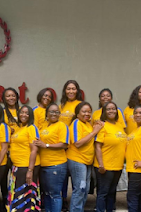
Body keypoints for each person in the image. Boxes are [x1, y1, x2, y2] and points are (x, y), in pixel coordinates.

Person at [67, 102, 103, 212]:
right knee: (80, 189)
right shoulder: (76, 123)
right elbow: (77, 143)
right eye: (84, 111)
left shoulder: (88, 124)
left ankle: (79, 209)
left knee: (86, 189)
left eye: (89, 111)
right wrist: (94, 132)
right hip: (77, 160)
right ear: (77, 114)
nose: (87, 114)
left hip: (87, 162)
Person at [34, 103, 69, 212]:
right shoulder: (44, 125)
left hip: (56, 165)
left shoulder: (62, 126)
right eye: (52, 111)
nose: (54, 114)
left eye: (57, 112)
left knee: (54, 194)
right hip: (43, 165)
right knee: (46, 193)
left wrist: (46, 145)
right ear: (46, 113)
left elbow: (64, 144)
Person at [94, 101, 127, 212]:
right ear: (104, 112)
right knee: (103, 192)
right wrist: (101, 164)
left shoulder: (119, 125)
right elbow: (97, 146)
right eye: (108, 109)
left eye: (113, 108)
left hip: (117, 166)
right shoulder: (102, 125)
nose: (111, 111)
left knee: (112, 192)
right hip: (105, 166)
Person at [8, 105, 41, 211]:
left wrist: (30, 171)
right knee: (18, 195)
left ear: (31, 115)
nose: (24, 115)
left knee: (26, 198)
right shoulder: (20, 128)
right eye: (22, 112)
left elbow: (34, 150)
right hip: (18, 166)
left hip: (26, 166)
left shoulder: (32, 128)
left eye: (27, 113)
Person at [59, 80, 83, 210]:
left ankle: (75, 201)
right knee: (62, 175)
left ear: (77, 90)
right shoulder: (61, 105)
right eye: (68, 89)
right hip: (63, 145)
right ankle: (63, 199)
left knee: (75, 176)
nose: (71, 91)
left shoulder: (80, 104)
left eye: (73, 89)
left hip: (75, 145)